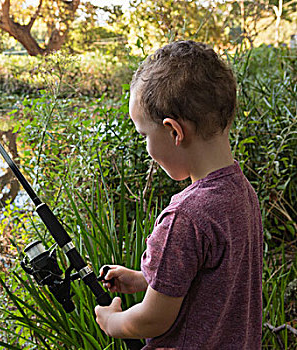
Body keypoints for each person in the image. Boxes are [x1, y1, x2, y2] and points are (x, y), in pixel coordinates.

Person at [94, 40, 263, 349]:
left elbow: (153, 319)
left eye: (145, 135)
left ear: (174, 132)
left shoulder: (185, 217)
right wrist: (144, 278)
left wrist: (113, 321)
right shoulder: (242, 192)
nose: (147, 148)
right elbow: (208, 277)